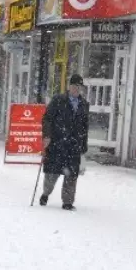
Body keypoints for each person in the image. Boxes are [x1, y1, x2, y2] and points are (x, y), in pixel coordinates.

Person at [39, 74, 90, 211]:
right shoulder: (58, 100)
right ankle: (46, 193)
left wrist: (83, 145)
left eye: (79, 87)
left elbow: (85, 126)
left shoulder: (84, 104)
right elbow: (47, 119)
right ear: (69, 86)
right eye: (74, 86)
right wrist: (47, 135)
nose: (76, 89)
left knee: (72, 175)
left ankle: (67, 202)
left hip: (74, 145)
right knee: (52, 174)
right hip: (57, 143)